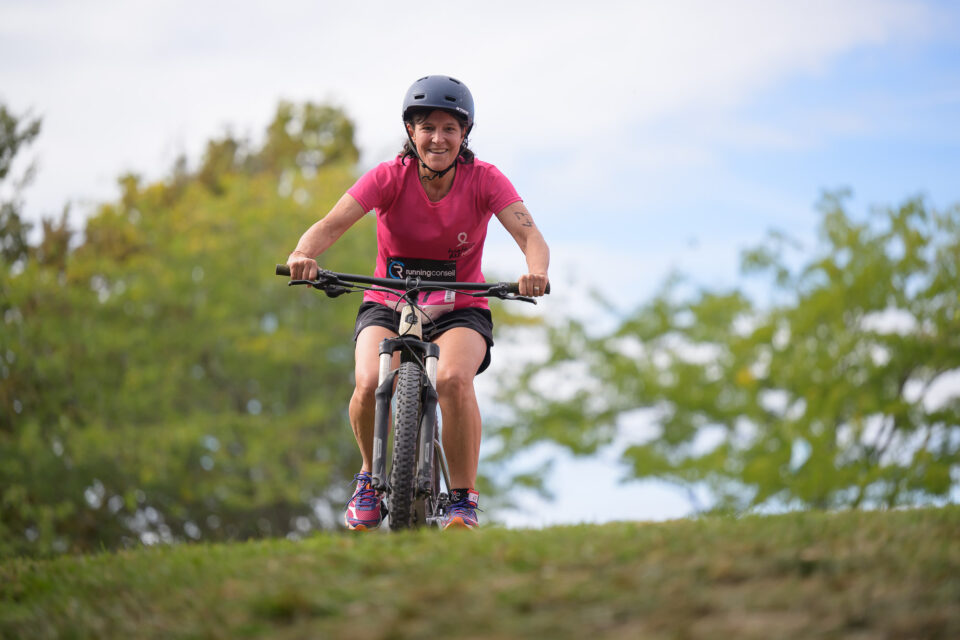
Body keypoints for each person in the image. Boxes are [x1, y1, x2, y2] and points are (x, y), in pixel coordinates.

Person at [286, 75, 550, 530]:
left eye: (450, 128)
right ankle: (369, 479)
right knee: (369, 381)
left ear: (465, 134)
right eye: (428, 127)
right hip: (389, 303)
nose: (438, 138)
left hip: (461, 307)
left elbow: (530, 235)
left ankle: (463, 499)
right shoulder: (389, 176)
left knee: (451, 377)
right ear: (411, 131)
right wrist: (303, 254)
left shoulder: (484, 179)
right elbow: (332, 223)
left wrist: (536, 273)